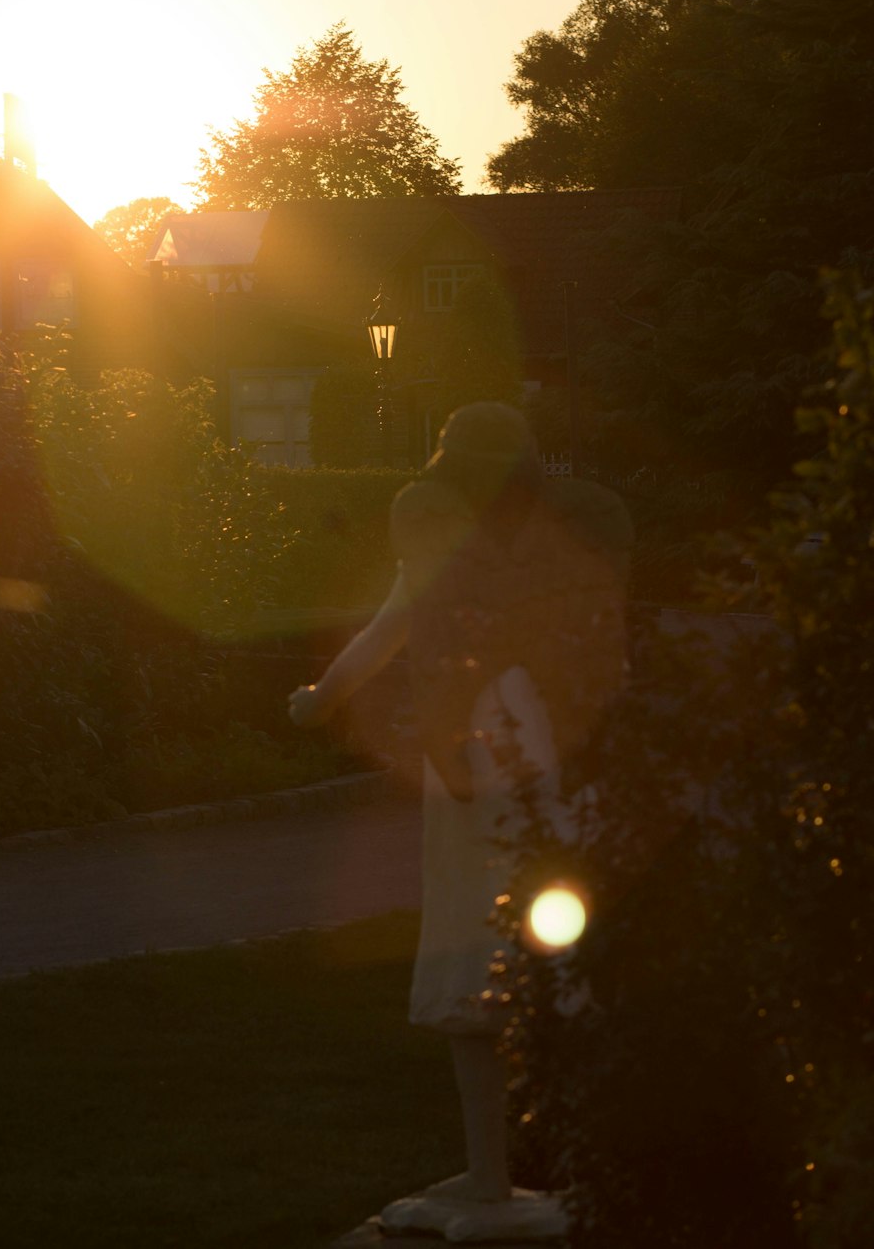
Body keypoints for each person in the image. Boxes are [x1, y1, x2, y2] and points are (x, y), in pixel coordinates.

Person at [288, 403, 631, 1240]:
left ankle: (508, 1176)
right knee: (516, 953)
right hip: (521, 767)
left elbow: (383, 634)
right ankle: (509, 1172)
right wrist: (324, 696)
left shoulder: (458, 564)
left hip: (485, 770)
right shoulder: (545, 565)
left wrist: (316, 702)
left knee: (480, 951)